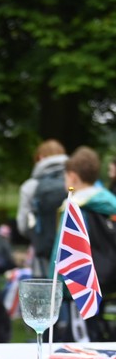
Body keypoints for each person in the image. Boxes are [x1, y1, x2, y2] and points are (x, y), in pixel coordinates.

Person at [51, 146, 116, 341]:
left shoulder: (74, 208)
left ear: (72, 176)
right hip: (107, 278)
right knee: (98, 332)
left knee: (81, 340)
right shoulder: (109, 201)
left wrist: (55, 288)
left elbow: (62, 251)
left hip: (78, 283)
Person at [16, 139, 68, 277]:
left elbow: (23, 227)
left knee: (46, 295)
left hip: (43, 257)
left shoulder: (30, 186)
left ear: (40, 158)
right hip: (74, 254)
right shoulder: (75, 180)